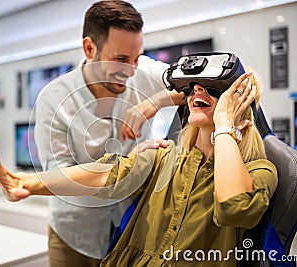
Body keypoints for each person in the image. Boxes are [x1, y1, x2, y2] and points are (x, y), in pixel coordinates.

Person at [0, 69, 278, 266]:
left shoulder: (260, 170)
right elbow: (106, 174)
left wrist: (224, 124)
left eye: (214, 91)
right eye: (196, 88)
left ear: (242, 113)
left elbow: (234, 208)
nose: (200, 92)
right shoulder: (163, 157)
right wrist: (24, 183)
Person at [33, 1, 184, 266]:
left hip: (133, 230)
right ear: (89, 48)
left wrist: (155, 102)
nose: (132, 70)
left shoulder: (143, 71)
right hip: (75, 236)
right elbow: (59, 179)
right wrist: (127, 167)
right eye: (121, 60)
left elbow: (204, 85)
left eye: (137, 58)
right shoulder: (54, 100)